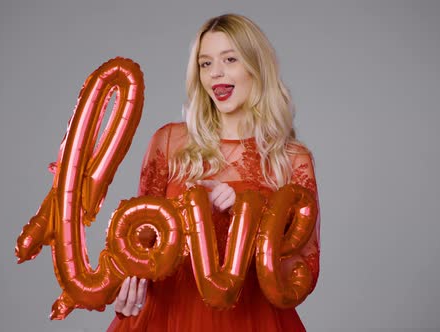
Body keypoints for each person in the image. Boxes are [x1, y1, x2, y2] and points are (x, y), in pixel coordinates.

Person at [107, 13, 320, 332]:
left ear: (255, 66)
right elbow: (141, 240)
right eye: (205, 64)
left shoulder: (290, 159)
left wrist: (248, 214)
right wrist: (125, 289)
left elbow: (302, 269)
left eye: (229, 59)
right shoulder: (169, 142)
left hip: (252, 320)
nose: (215, 74)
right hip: (167, 317)